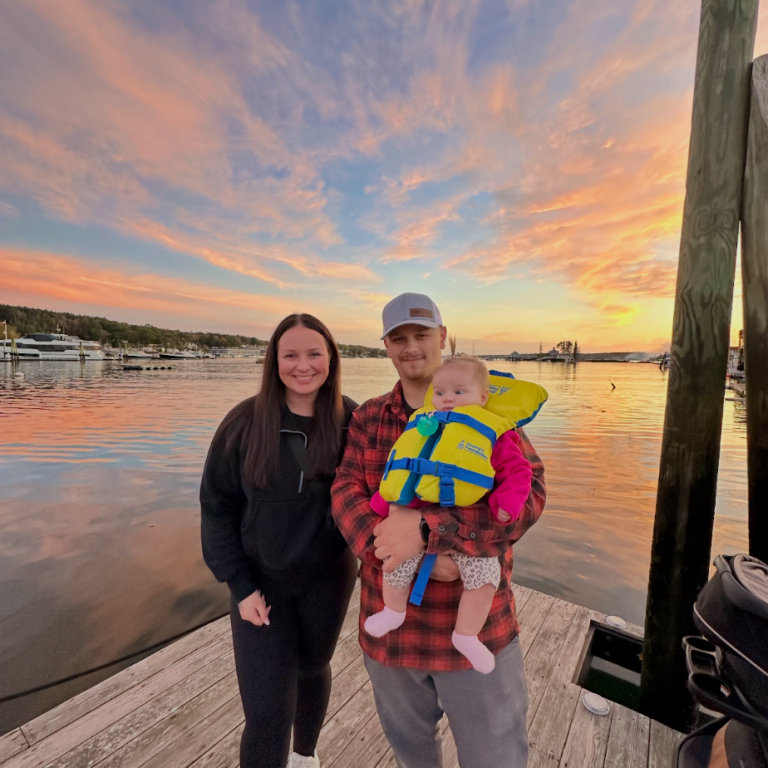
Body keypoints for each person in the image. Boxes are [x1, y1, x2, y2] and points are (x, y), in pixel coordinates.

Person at [332, 293, 546, 768]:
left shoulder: (492, 416)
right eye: (399, 338)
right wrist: (390, 549)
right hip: (392, 633)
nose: (411, 347)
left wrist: (432, 533)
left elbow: (529, 496)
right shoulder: (368, 418)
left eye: (422, 335)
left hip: (478, 628)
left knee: (496, 757)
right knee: (412, 754)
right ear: (386, 346)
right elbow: (345, 492)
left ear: (443, 337)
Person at [200, 314, 358, 768]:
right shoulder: (245, 422)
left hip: (328, 578)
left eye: (314, 354)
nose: (302, 365)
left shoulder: (353, 420)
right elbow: (217, 507)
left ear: (331, 359)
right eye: (290, 355)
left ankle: (305, 756)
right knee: (267, 712)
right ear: (274, 360)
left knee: (312, 667)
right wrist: (240, 585)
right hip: (261, 582)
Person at [366, 356, 534, 675]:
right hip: (411, 512)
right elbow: (403, 469)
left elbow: (519, 472)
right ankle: (393, 611)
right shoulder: (419, 422)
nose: (448, 399)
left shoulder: (495, 430)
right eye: (441, 392)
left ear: (482, 397)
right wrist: (382, 506)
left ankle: (466, 635)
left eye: (459, 392)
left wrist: (507, 503)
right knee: (395, 566)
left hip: (466, 531)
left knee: (485, 577)